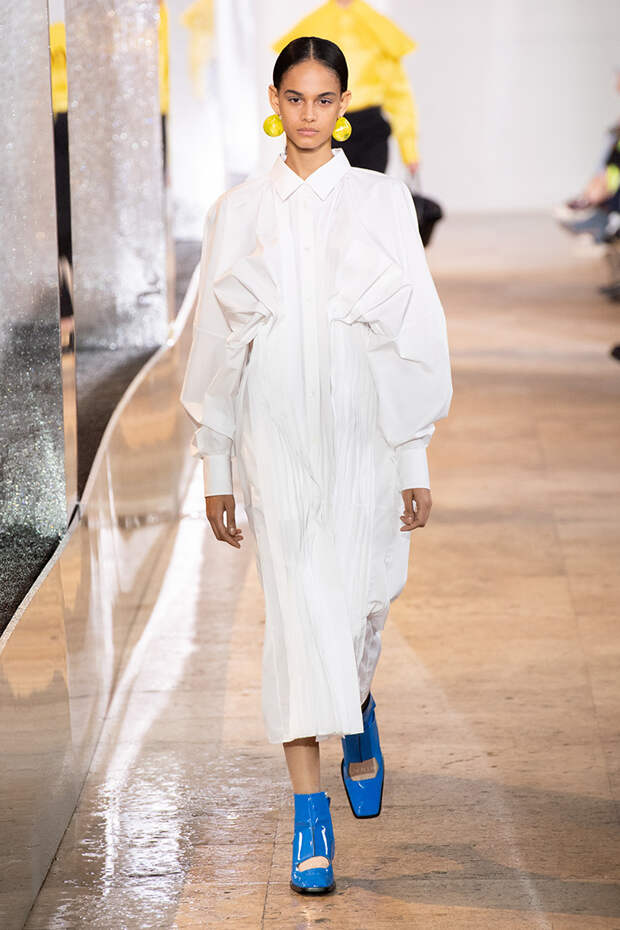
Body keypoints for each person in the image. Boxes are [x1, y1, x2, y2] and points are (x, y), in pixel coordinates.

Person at [180, 35, 452, 895]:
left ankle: (357, 703)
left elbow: (412, 330)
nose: (308, 114)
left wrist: (412, 452)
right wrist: (217, 465)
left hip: (364, 433)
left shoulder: (381, 202)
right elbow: (217, 345)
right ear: (275, 100)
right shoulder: (236, 211)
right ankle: (309, 814)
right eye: (294, 98)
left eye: (323, 99)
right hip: (277, 438)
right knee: (298, 620)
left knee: (365, 601)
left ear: (343, 105)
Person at [272, 0, 420, 177]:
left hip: (369, 130)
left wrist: (409, 150)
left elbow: (398, 94)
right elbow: (293, 86)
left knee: (368, 190)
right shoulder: (315, 24)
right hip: (325, 124)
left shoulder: (377, 27)